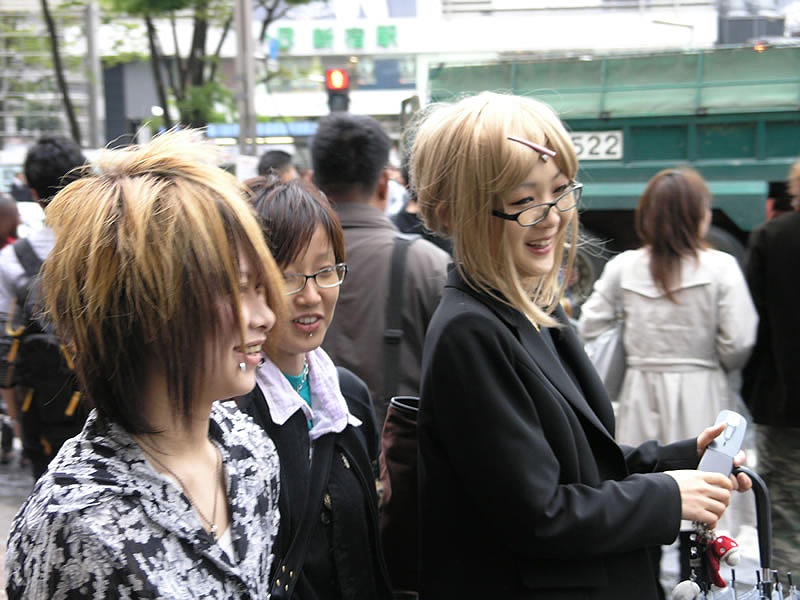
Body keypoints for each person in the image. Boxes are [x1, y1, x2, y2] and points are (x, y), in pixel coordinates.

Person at [410, 91, 752, 599]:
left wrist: (680, 459)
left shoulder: (530, 307)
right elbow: (539, 516)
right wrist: (667, 494)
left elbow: (585, 462)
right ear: (453, 214)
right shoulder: (471, 331)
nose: (551, 217)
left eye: (561, 191)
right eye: (523, 203)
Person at [5, 130, 284, 598]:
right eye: (238, 289)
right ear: (151, 307)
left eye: (263, 287)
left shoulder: (250, 452)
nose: (266, 317)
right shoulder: (74, 525)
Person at [578, 167, 758, 581]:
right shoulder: (722, 267)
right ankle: (700, 582)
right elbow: (739, 342)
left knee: (645, 498)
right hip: (703, 393)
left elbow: (589, 326)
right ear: (700, 215)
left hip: (641, 393)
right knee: (708, 508)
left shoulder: (624, 267)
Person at [237, 176, 392, 599]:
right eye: (287, 277)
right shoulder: (228, 415)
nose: (310, 296)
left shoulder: (348, 396)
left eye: (325, 271)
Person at [311, 112, 450, 427]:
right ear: (385, 182)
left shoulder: (275, 264)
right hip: (399, 466)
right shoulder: (429, 264)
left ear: (312, 180)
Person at [0, 135, 87, 478]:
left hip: (46, 421)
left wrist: (21, 426)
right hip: (119, 412)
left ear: (34, 194)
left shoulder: (11, 261)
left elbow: (5, 355)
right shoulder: (115, 247)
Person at [741, 158, 800, 575]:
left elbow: (751, 330)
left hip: (785, 404)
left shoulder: (773, 238)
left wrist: (754, 392)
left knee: (785, 512)